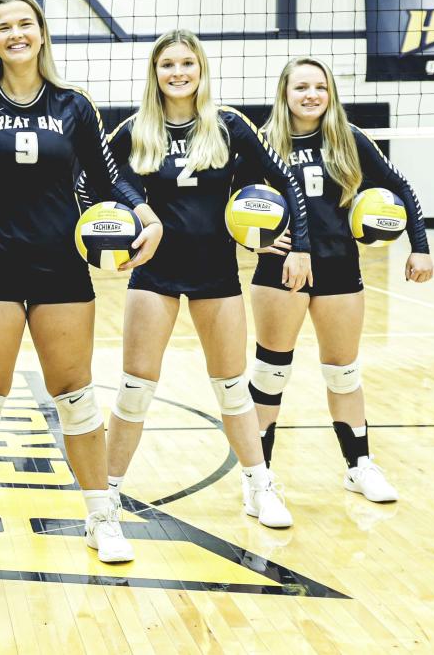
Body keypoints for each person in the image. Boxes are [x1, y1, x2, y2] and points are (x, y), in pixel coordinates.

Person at [0, 0, 162, 568]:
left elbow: (108, 178)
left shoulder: (73, 105)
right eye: (3, 27)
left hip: (61, 266)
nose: (15, 34)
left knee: (76, 398)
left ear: (41, 33)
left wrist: (144, 212)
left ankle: (100, 516)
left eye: (25, 24)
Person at [105, 29, 311, 529]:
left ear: (201, 71)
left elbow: (286, 180)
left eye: (187, 64)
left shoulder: (229, 126)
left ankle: (258, 486)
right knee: (134, 389)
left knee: (231, 388)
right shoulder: (134, 130)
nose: (178, 73)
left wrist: (292, 242)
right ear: (155, 73)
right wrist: (129, 214)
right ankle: (104, 495)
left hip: (216, 273)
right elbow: (100, 175)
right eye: (168, 64)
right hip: (154, 274)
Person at [249, 56, 432, 503]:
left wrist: (420, 246)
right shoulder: (263, 141)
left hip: (339, 268)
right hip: (281, 271)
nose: (311, 95)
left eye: (320, 87)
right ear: (284, 93)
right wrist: (254, 243)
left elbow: (401, 186)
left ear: (330, 93)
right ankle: (258, 477)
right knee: (271, 374)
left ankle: (359, 466)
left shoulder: (347, 140)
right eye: (301, 87)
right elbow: (234, 201)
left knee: (344, 373)